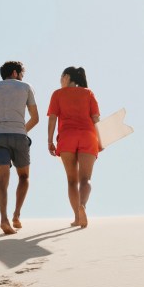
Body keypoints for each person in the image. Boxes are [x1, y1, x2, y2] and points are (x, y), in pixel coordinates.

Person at [0, 61, 39, 235]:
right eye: (21, 74)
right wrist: (21, 130)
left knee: (2, 181)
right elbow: (35, 118)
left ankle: (4, 219)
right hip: (19, 136)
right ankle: (16, 215)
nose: (22, 77)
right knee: (24, 176)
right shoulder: (26, 87)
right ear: (15, 73)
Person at [47, 66, 101, 228]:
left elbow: (52, 119)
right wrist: (101, 140)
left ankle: (77, 217)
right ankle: (82, 205)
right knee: (86, 179)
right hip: (88, 136)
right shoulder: (88, 93)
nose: (60, 80)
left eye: (61, 77)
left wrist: (50, 141)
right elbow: (96, 118)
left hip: (67, 137)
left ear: (67, 77)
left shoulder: (57, 94)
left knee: (72, 181)